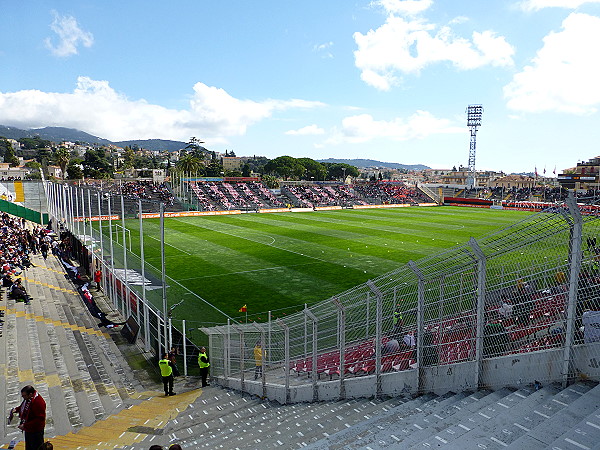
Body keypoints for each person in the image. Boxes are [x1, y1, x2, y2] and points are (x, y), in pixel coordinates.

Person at [11, 385, 46, 450]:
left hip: (36, 431)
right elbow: (24, 407)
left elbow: (39, 420)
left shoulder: (38, 403)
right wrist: (17, 409)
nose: (23, 397)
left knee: (37, 447)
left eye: (24, 395)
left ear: (30, 394)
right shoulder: (29, 399)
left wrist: (25, 425)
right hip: (29, 429)